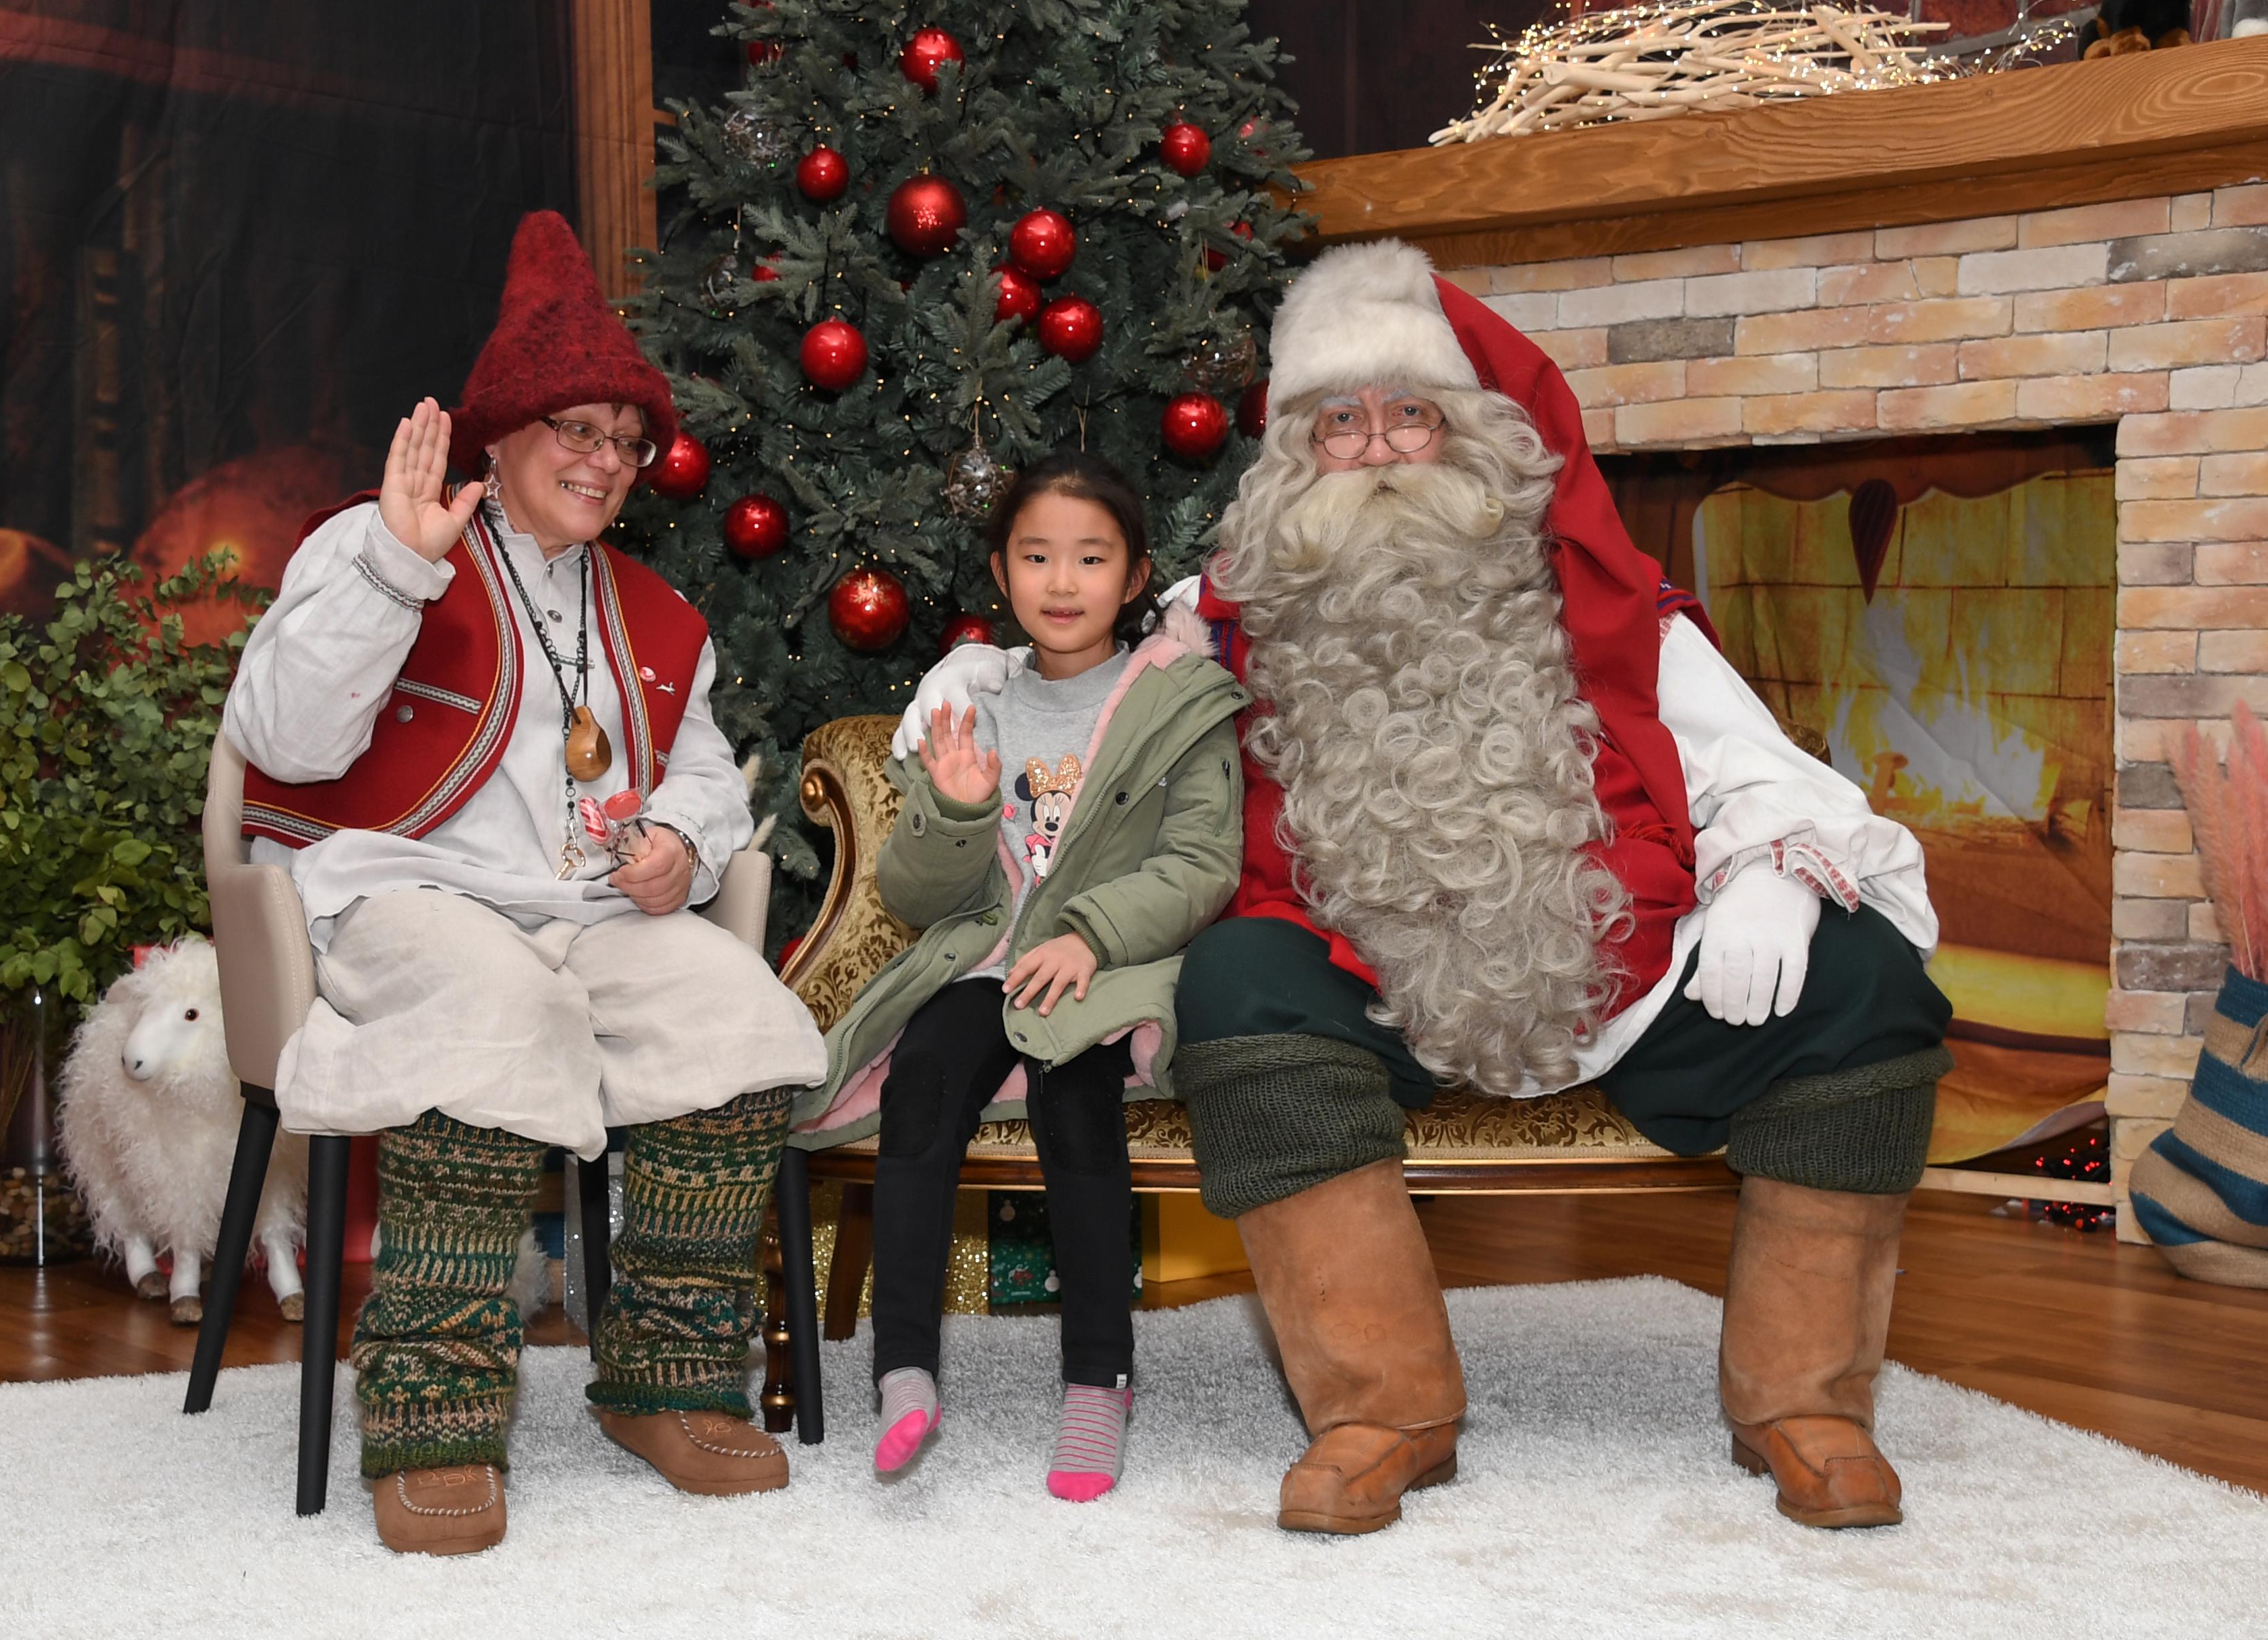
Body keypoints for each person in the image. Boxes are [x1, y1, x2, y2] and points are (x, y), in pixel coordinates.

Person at [900, 241, 1950, 1536]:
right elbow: (1070, 641)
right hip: (1365, 989)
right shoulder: (1221, 619)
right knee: (1237, 982)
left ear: (1480, 439)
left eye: (1414, 414)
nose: (1384, 448)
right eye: (1343, 423)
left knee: (1867, 983)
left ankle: (1808, 1403)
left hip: (1619, 973)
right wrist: (968, 677)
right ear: (1297, 455)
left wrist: (1772, 882)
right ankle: (1380, 1409)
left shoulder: (1609, 606)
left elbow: (1763, 772)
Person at [222, 211, 827, 1555]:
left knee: (736, 1018)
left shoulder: (659, 616)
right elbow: (285, 736)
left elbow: (712, 773)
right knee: (492, 1003)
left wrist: (677, 835)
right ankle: (432, 1411)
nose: (609, 462)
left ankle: (665, 1381)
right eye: (579, 431)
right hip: (398, 895)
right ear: (502, 431)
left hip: (590, 914)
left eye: (627, 441)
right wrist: (398, 562)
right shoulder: (372, 542)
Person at [793, 454, 1245, 1501]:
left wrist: (1090, 934)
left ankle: (1100, 1378)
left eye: (1091, 558)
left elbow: (1202, 861)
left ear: (1134, 578)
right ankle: (905, 1369)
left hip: (1110, 965)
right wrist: (952, 811)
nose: (1062, 581)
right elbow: (915, 890)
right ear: (1003, 572)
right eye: (1037, 557)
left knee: (1076, 1097)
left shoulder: (1178, 700)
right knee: (921, 1089)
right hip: (982, 963)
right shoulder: (974, 703)